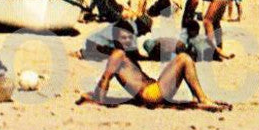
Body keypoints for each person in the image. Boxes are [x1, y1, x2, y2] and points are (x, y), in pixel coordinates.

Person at [76, 46, 230, 111]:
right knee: (183, 58)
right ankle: (201, 99)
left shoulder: (123, 58)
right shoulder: (117, 56)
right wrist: (95, 97)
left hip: (152, 91)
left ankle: (201, 99)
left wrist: (90, 96)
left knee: (182, 59)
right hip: (150, 95)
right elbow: (105, 79)